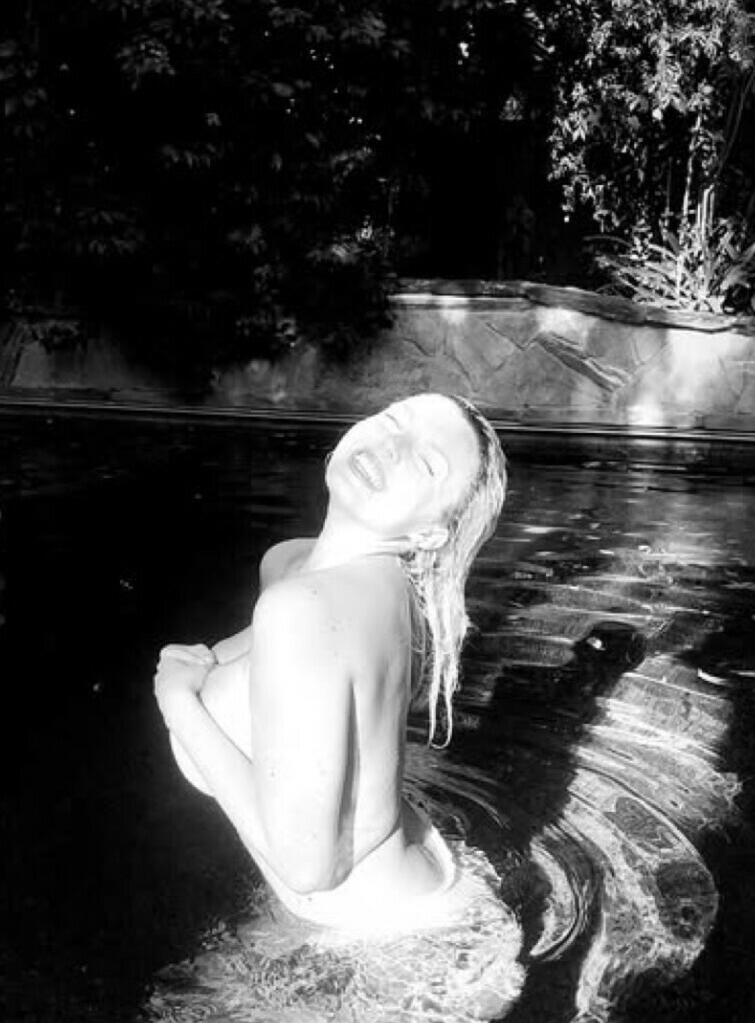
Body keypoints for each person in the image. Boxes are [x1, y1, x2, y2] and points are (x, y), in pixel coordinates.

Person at [154, 392, 507, 929]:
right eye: (394, 419)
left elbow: (307, 869)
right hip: (411, 889)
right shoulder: (302, 568)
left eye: (427, 462)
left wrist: (177, 701)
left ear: (430, 534)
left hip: (383, 940)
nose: (393, 445)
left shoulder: (302, 608)